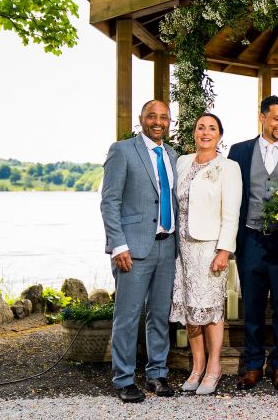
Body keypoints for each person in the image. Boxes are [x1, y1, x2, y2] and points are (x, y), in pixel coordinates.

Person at [100, 100, 178, 403]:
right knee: (127, 316)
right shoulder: (122, 151)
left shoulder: (171, 155)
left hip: (167, 246)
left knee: (159, 315)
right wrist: (118, 245)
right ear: (141, 119)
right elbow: (110, 201)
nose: (158, 122)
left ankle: (157, 373)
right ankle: (123, 378)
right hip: (132, 249)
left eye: (164, 117)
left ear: (169, 122)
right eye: (152, 116)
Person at [228, 95, 278, 391]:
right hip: (250, 238)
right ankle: (252, 365)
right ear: (262, 117)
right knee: (252, 304)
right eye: (276, 118)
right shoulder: (239, 151)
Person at [170, 113, 242, 394]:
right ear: (194, 132)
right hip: (181, 247)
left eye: (212, 128)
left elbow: (231, 213)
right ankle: (197, 366)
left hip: (209, 246)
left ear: (220, 135)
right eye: (201, 127)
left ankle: (214, 367)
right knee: (189, 308)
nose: (205, 132)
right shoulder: (182, 162)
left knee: (210, 308)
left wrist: (224, 250)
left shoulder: (229, 167)